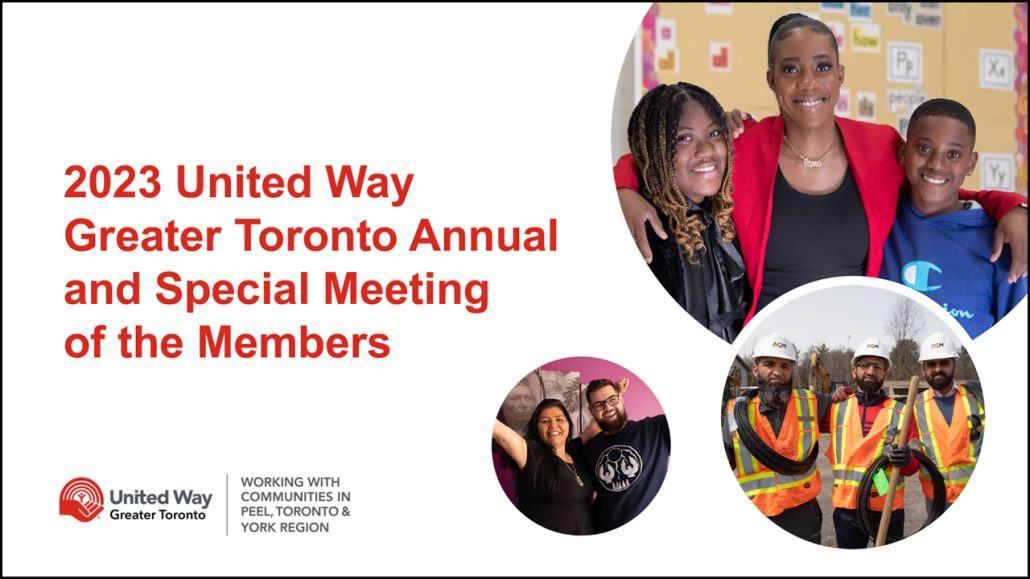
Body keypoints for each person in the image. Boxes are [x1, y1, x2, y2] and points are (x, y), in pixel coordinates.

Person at [613, 13, 1028, 323]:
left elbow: (938, 180)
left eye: (823, 67)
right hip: (757, 347)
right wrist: (623, 191)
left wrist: (1012, 207)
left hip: (850, 341)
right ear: (771, 79)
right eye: (790, 69)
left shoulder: (880, 146)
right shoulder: (742, 144)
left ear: (840, 75)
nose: (808, 83)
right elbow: (663, 159)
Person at [882, 98, 1028, 338]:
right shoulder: (879, 218)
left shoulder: (1003, 243)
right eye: (924, 148)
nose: (937, 164)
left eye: (953, 154)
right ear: (903, 153)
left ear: (971, 164)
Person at [626, 81, 748, 341]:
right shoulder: (641, 227)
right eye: (685, 138)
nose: (706, 150)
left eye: (715, 134)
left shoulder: (728, 220)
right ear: (655, 150)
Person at [723, 333, 836, 544]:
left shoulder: (811, 402)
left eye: (785, 366)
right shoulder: (735, 414)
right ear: (756, 369)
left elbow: (848, 411)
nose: (778, 372)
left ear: (792, 370)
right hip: (758, 511)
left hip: (802, 513)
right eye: (769, 364)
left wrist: (842, 395)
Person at [826, 337, 919, 548]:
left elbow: (913, 467)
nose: (870, 371)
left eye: (878, 366)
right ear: (853, 370)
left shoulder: (901, 412)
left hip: (886, 507)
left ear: (886, 373)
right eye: (864, 365)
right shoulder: (836, 407)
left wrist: (907, 459)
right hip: (847, 507)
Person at [493, 399, 596, 535]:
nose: (553, 425)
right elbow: (502, 437)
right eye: (545, 421)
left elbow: (597, 424)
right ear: (536, 428)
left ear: (568, 424)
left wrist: (617, 395)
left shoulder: (575, 451)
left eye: (559, 419)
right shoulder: (530, 453)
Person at [582, 378, 670, 533]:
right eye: (599, 405)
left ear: (621, 398)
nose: (608, 407)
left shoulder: (656, 428)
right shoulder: (587, 450)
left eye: (612, 399)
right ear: (591, 411)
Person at [910, 331, 984, 515]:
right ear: (923, 369)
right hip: (936, 500)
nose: (937, 369)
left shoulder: (978, 398)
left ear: (954, 365)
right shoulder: (913, 406)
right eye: (931, 364)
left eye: (944, 362)